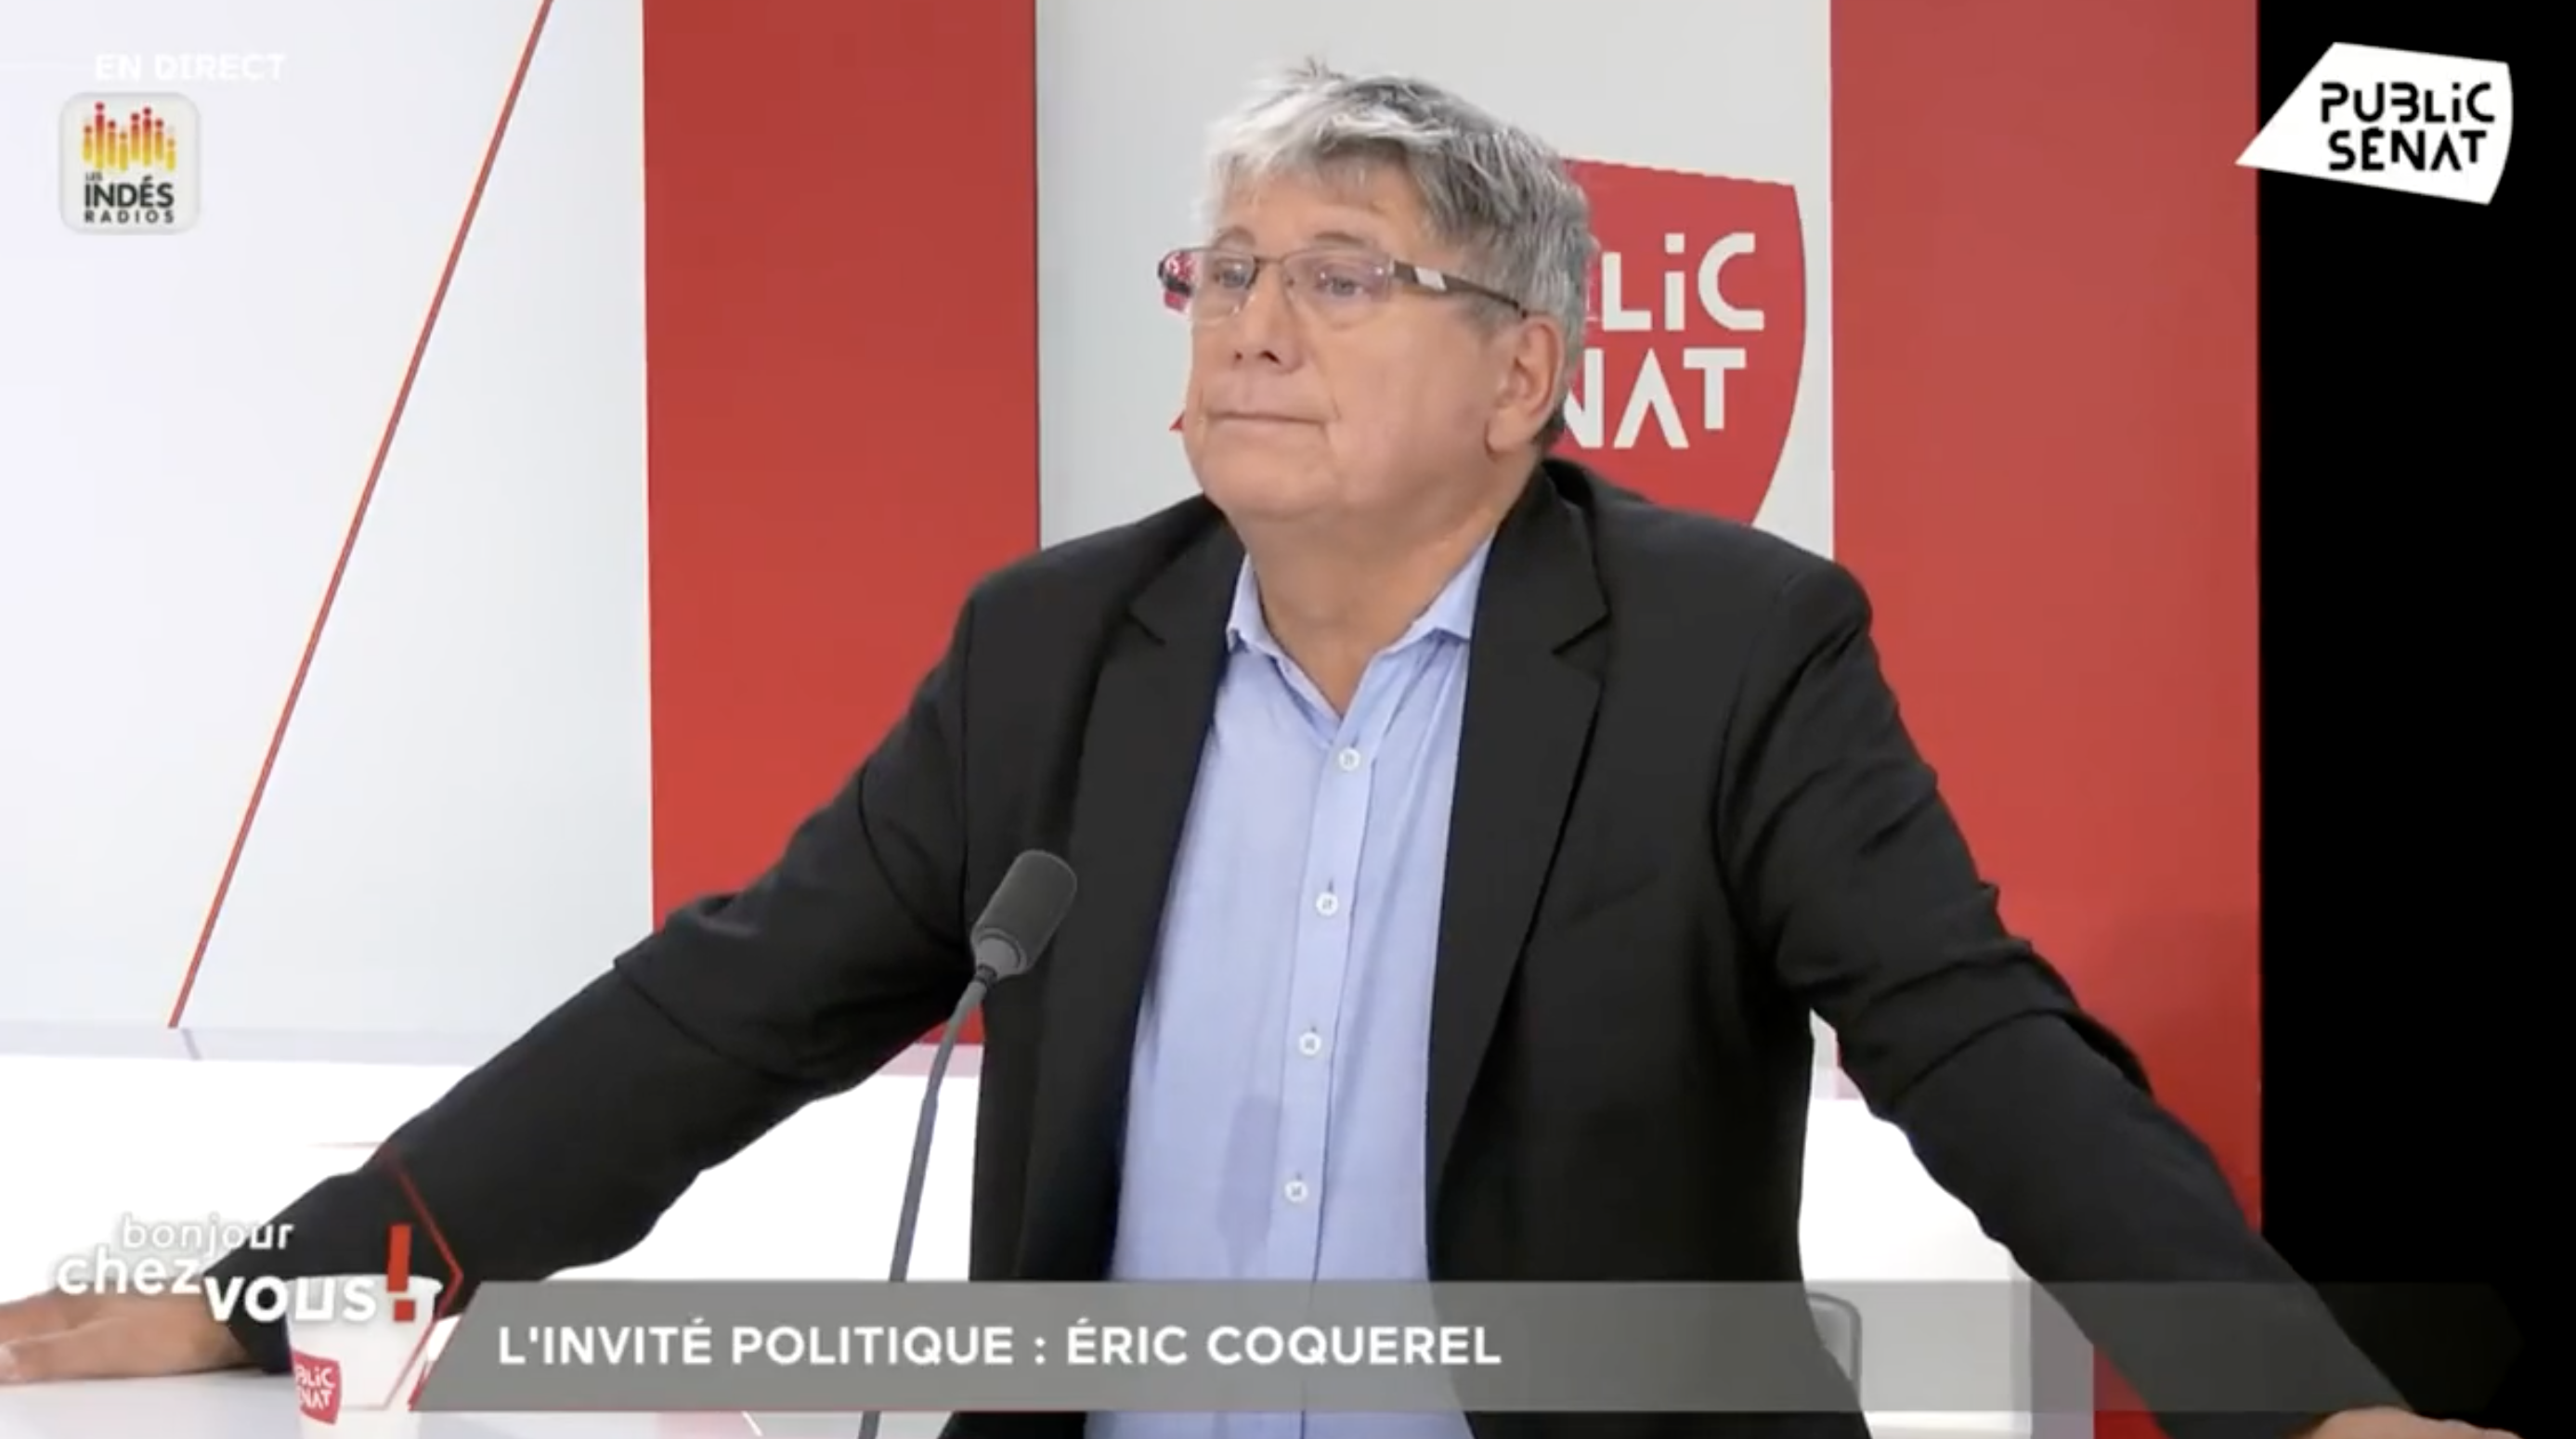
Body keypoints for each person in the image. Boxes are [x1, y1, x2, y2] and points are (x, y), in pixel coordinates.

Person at [0, 60, 2509, 1439]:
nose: (1250, 325)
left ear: (1525, 379)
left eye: (1341, 277)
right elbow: (723, 1006)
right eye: (1224, 272)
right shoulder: (1057, 647)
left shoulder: (1733, 651)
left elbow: (1979, 1046)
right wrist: (290, 1281)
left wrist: (2303, 1409)